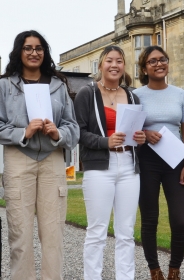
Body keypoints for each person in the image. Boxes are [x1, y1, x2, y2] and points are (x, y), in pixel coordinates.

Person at [0, 30, 79, 280]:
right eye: (28, 48)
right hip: (18, 158)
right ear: (19, 52)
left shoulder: (58, 85)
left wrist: (58, 133)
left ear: (44, 52)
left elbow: (73, 127)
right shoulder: (4, 85)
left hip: (52, 160)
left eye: (39, 48)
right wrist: (24, 131)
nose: (34, 52)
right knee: (19, 233)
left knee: (53, 234)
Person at [74, 45, 146, 280]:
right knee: (97, 232)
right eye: (109, 61)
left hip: (128, 166)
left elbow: (136, 129)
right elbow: (79, 133)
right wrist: (106, 142)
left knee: (126, 233)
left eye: (119, 61)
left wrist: (141, 137)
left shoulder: (133, 95)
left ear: (124, 66)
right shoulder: (87, 93)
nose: (114, 65)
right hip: (99, 168)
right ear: (101, 65)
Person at [133, 46, 184, 280]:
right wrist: (145, 134)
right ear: (144, 68)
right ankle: (154, 270)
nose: (159, 64)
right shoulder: (136, 95)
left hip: (175, 160)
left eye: (163, 60)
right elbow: (131, 128)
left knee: (179, 220)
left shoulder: (181, 95)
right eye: (152, 61)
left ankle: (174, 269)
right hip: (147, 159)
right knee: (150, 219)